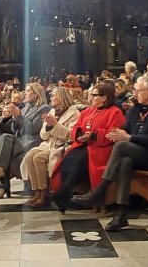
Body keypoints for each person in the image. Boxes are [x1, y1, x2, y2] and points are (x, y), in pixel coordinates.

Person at [86, 74, 148, 231]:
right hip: (135, 153)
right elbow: (126, 129)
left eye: (138, 90)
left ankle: (100, 189)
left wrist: (129, 137)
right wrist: (116, 133)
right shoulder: (135, 109)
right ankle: (121, 215)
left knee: (121, 146)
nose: (134, 94)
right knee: (125, 162)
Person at [48, 82, 126, 212]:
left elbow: (114, 134)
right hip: (83, 145)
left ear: (104, 98)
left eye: (94, 95)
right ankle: (63, 196)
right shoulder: (87, 111)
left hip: (102, 149)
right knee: (68, 159)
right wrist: (80, 135)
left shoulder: (115, 112)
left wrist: (94, 136)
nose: (90, 98)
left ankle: (62, 195)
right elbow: (77, 127)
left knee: (79, 161)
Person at [22, 85, 83, 207]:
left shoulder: (74, 113)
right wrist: (49, 126)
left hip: (61, 145)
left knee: (38, 158)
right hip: (48, 144)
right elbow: (43, 135)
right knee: (29, 156)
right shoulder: (52, 111)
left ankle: (44, 194)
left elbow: (70, 135)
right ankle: (36, 192)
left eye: (54, 95)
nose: (51, 97)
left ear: (61, 97)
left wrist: (55, 124)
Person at [0, 82, 51, 198]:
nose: (25, 93)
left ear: (36, 94)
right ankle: (0, 171)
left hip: (32, 141)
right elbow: (14, 129)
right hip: (20, 140)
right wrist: (14, 117)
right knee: (5, 137)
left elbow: (33, 128)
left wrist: (19, 116)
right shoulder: (26, 107)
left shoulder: (44, 108)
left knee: (5, 152)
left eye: (28, 91)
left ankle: (1, 187)